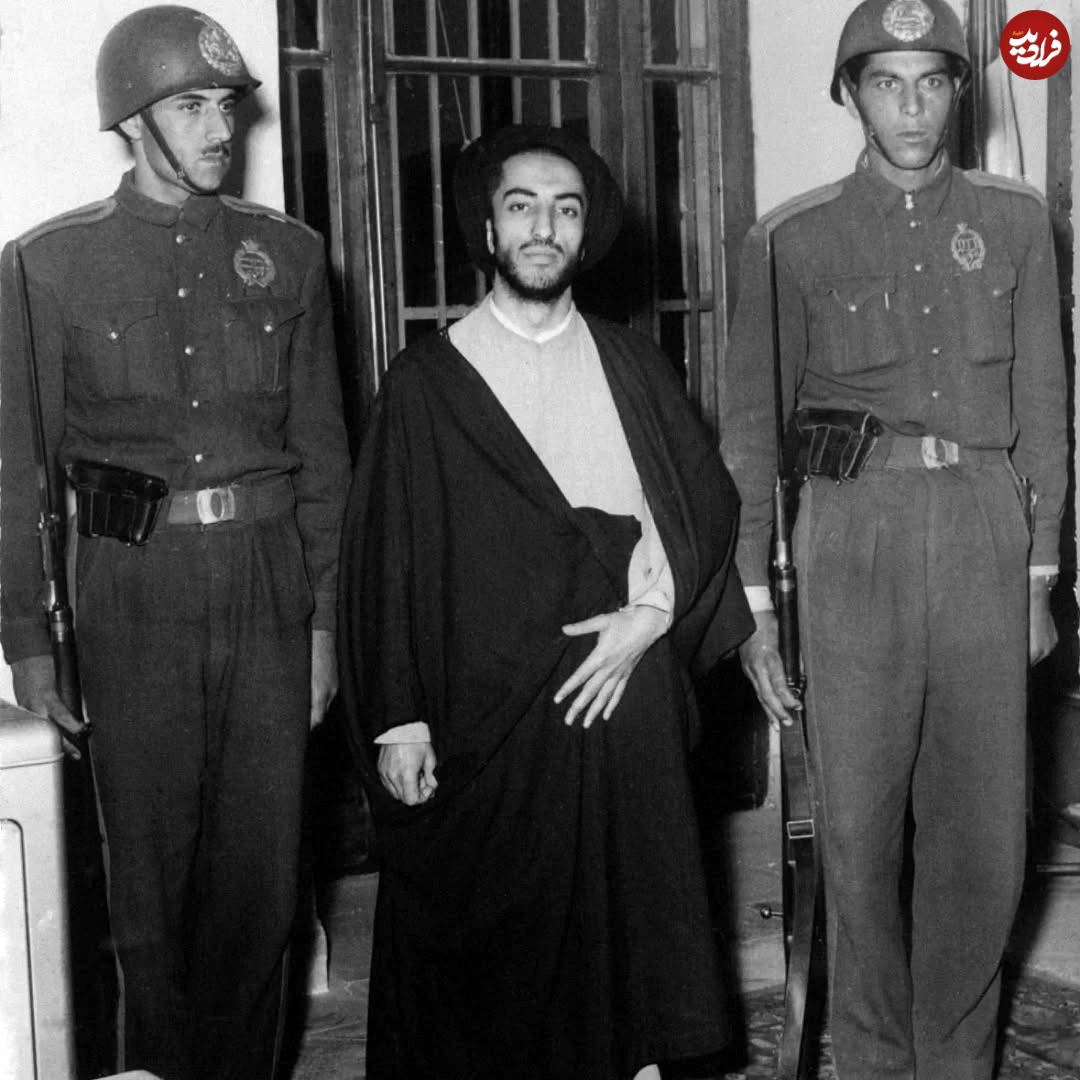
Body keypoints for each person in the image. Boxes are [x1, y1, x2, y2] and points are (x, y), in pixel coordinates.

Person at [337, 123, 753, 1079]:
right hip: (482, 705)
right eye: (521, 206)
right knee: (491, 969)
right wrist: (400, 718)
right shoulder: (427, 381)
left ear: (585, 233)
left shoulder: (633, 364)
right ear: (488, 229)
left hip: (621, 689)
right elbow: (386, 561)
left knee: (631, 946)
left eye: (565, 210)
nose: (543, 227)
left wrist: (652, 616)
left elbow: (697, 510)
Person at [0, 7, 350, 1079]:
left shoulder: (288, 255)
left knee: (262, 888)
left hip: (266, 586)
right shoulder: (47, 266)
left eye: (227, 106)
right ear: (131, 122)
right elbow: (17, 474)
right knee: (145, 900)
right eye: (191, 107)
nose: (220, 129)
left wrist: (326, 624)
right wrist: (30, 646)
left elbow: (325, 459)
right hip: (131, 589)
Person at [721, 1, 1067, 1077]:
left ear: (960, 94)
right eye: (886, 83)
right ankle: (873, 1059)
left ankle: (956, 1060)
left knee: (985, 830)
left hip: (983, 526)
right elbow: (750, 430)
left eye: (932, 82)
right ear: (852, 97)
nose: (911, 107)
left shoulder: (1015, 221)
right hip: (852, 530)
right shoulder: (790, 236)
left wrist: (1040, 572)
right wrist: (755, 604)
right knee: (860, 829)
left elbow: (1046, 407)